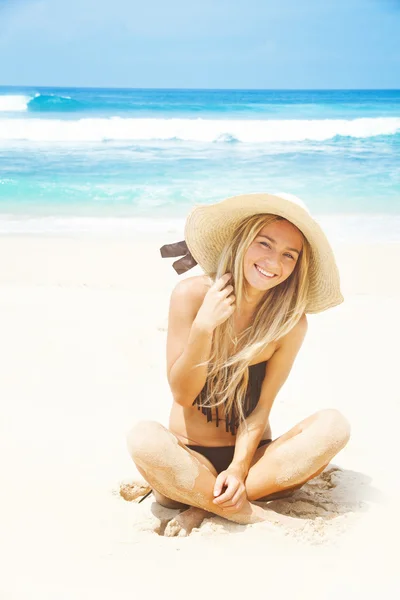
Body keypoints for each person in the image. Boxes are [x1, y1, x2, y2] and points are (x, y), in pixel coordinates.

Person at [126, 192, 351, 534]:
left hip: (254, 464)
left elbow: (262, 407)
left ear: (297, 267)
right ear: (243, 241)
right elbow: (184, 395)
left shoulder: (290, 322)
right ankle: (246, 512)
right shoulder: (191, 295)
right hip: (189, 456)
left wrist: (238, 469)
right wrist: (204, 327)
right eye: (264, 244)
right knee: (144, 438)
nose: (274, 262)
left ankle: (201, 504)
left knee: (334, 425)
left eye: (289, 255)